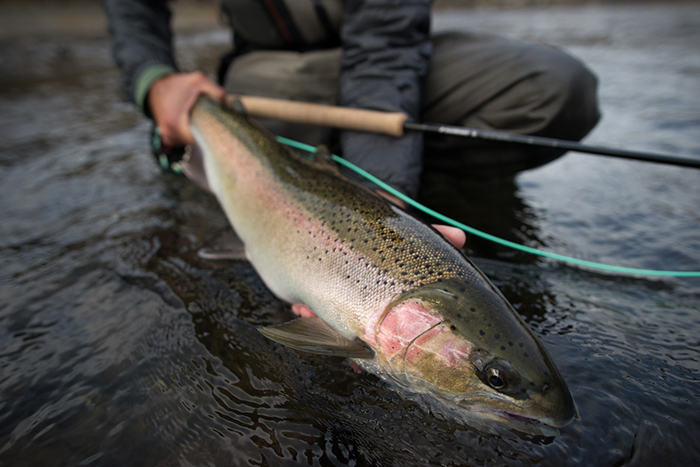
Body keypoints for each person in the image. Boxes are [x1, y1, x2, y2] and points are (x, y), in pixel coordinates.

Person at [104, 0, 599, 242]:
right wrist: (154, 80)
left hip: (391, 57)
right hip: (270, 75)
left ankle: (387, 173)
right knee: (233, 140)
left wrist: (383, 205)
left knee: (555, 89)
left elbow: (384, 51)